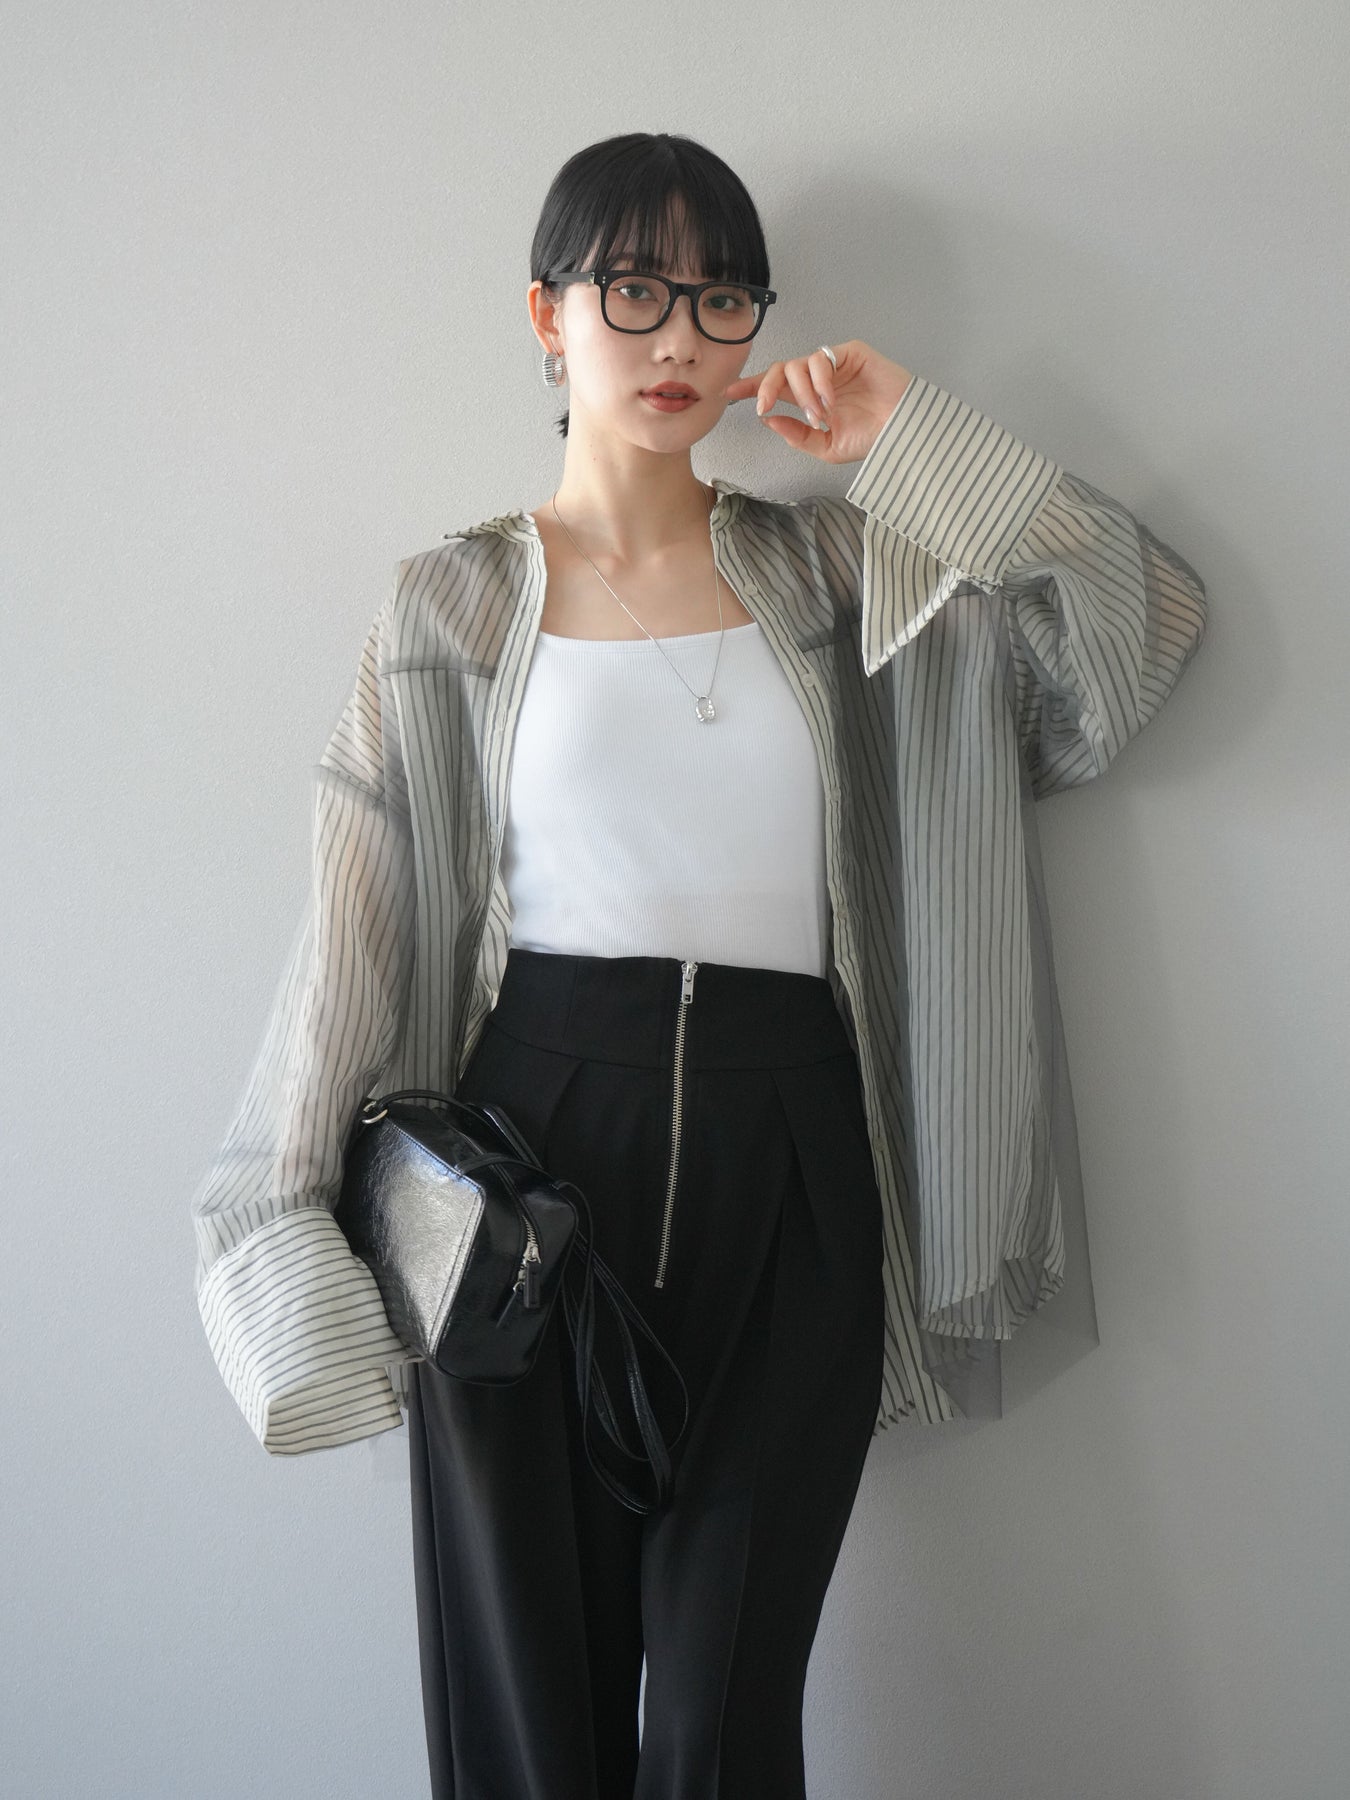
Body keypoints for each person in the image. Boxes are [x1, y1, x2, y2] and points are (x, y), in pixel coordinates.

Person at [190, 132, 1209, 1800]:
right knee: (531, 1730)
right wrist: (277, 1207)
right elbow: (356, 923)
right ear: (548, 315)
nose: (679, 337)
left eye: (722, 297)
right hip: (523, 1173)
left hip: (794, 1161)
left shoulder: (836, 574)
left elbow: (1126, 646)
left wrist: (909, 442)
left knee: (724, 1730)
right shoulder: (451, 604)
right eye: (635, 290)